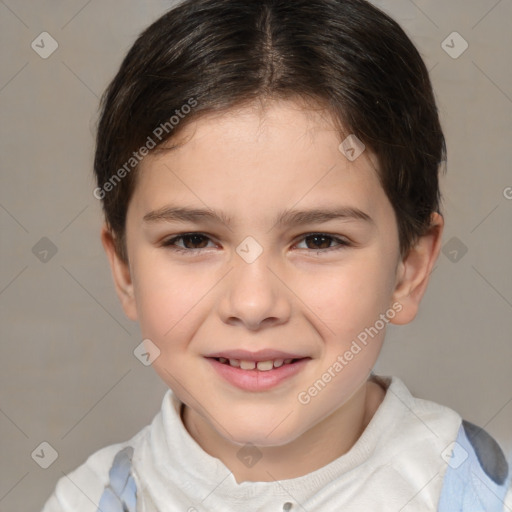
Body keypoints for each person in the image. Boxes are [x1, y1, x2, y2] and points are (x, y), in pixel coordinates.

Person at [42, 0, 512, 510]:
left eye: (318, 240)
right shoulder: (88, 500)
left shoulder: (483, 493)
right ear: (125, 269)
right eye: (193, 240)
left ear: (408, 270)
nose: (252, 303)